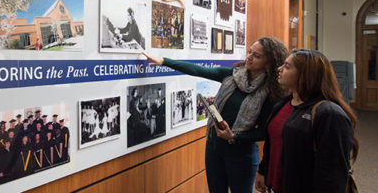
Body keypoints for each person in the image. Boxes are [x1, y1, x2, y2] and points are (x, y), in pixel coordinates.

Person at [142, 37, 289, 193]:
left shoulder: (271, 92)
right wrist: (164, 61)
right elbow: (199, 70)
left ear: (269, 62)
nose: (249, 57)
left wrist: (234, 136)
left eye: (256, 56)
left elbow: (265, 131)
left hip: (241, 155)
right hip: (214, 148)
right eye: (249, 52)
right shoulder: (231, 75)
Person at [254, 49, 358, 193]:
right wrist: (263, 171)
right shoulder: (283, 104)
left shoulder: (329, 114)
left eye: (287, 66)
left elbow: (332, 173)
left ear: (306, 75)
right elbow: (274, 144)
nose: (279, 69)